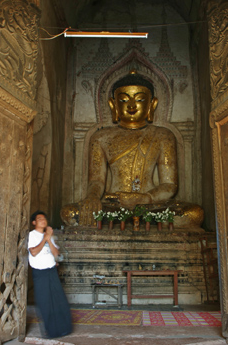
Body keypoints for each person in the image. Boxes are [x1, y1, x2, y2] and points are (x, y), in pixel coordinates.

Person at [60, 70, 203, 228]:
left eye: (140, 99)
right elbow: (96, 180)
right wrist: (92, 198)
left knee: (194, 213)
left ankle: (132, 220)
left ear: (151, 104)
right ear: (113, 105)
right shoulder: (101, 137)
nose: (132, 105)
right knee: (69, 213)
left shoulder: (163, 136)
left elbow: (169, 185)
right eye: (123, 100)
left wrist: (145, 198)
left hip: (151, 205)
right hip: (113, 203)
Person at [28, 211, 72, 338]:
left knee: (59, 300)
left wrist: (49, 238)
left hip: (52, 271)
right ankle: (51, 331)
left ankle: (64, 328)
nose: (43, 220)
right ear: (34, 222)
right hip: (40, 273)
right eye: (39, 218)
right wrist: (45, 238)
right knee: (45, 302)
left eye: (44, 218)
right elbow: (34, 252)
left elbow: (56, 254)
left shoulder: (50, 236)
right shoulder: (32, 235)